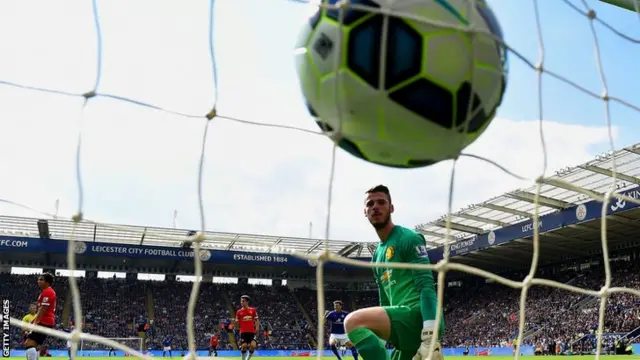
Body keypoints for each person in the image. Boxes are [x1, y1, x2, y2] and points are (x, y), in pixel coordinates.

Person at [343, 185, 444, 360]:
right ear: (365, 212)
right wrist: (377, 337)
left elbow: (426, 286)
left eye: (381, 202)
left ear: (391, 208)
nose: (375, 207)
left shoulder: (408, 238)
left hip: (418, 317)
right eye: (370, 204)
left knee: (352, 322)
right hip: (401, 326)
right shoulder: (376, 257)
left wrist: (430, 334)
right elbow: (384, 302)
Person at [24, 273, 57, 360]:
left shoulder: (48, 292)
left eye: (41, 279)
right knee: (32, 345)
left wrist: (34, 323)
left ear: (47, 282)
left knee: (29, 344)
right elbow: (40, 310)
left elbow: (43, 309)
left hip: (44, 322)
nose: (38, 281)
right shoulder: (45, 292)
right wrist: (32, 322)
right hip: (44, 321)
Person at [235, 295, 260, 360]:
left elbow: (257, 320)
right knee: (244, 346)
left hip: (252, 332)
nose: (241, 302)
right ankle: (243, 359)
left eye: (243, 301)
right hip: (243, 332)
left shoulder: (253, 310)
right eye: (241, 301)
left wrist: (257, 329)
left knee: (253, 346)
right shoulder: (238, 312)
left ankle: (248, 358)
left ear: (247, 302)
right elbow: (237, 323)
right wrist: (235, 323)